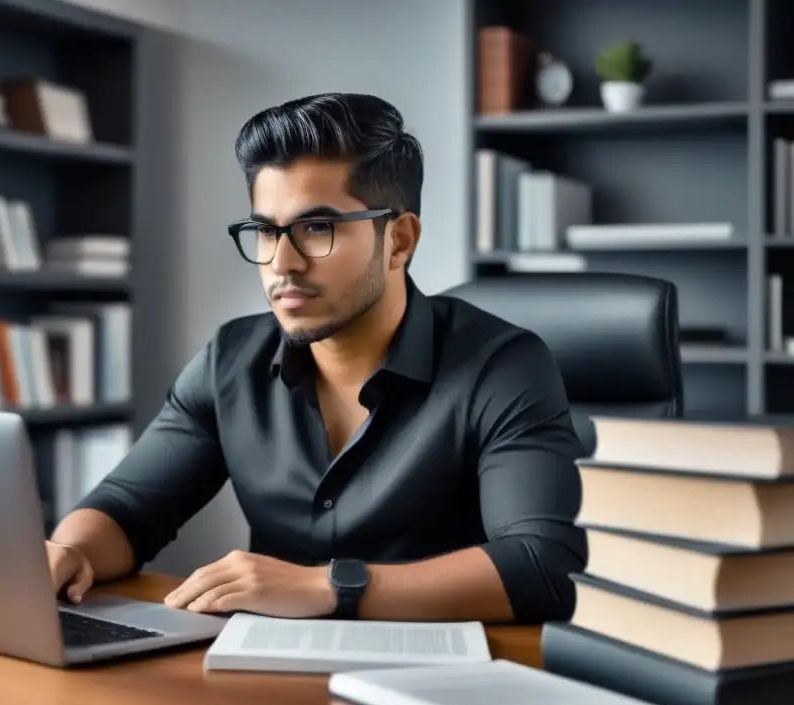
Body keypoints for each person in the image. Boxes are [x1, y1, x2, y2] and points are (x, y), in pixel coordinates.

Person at [46, 93, 586, 624]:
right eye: (265, 230)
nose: (282, 263)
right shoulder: (230, 360)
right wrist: (70, 552)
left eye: (317, 228)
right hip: (267, 681)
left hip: (443, 685)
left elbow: (543, 565)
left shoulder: (505, 365)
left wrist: (330, 586)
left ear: (398, 240)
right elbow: (128, 508)